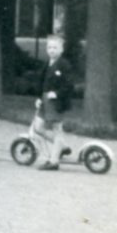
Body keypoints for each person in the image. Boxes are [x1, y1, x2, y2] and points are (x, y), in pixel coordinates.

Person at [33, 34, 74, 171]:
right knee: (38, 127)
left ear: (61, 49)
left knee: (57, 130)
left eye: (55, 47)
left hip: (57, 102)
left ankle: (54, 161)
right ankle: (62, 147)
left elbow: (69, 85)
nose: (52, 50)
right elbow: (42, 83)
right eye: (49, 47)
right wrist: (39, 97)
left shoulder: (64, 65)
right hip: (45, 100)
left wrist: (56, 93)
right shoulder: (47, 64)